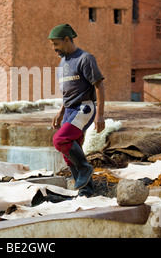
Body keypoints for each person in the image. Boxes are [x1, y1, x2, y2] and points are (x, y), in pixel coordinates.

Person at [48, 24, 105, 197]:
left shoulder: (85, 59)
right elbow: (69, 92)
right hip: (69, 110)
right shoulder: (63, 61)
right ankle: (86, 192)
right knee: (69, 151)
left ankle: (85, 168)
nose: (54, 48)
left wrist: (100, 115)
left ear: (67, 39)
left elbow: (99, 85)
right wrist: (61, 111)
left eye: (56, 44)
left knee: (60, 139)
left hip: (84, 107)